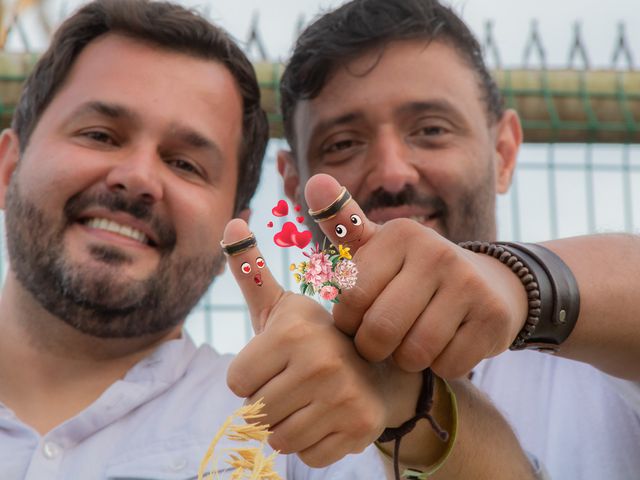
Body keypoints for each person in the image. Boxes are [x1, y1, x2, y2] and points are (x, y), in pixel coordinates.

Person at [0, 0, 541, 479]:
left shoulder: (307, 434)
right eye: (99, 135)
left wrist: (407, 404)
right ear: (8, 164)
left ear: (232, 224)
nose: (139, 178)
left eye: (185, 163)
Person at [277, 0, 640, 479]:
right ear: (290, 183)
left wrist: (516, 283)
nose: (391, 173)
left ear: (503, 153)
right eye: (343, 143)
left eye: (431, 130)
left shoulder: (602, 368)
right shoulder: (270, 433)